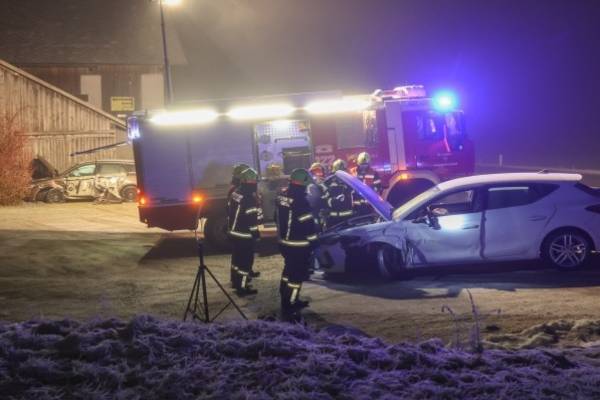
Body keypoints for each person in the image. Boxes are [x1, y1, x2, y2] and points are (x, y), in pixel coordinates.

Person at [275, 168, 318, 317]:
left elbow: (276, 217)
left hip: (284, 243)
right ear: (303, 183)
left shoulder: (282, 196)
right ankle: (291, 303)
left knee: (288, 271)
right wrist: (314, 241)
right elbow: (308, 225)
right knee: (297, 276)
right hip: (298, 245)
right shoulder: (301, 201)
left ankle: (285, 298)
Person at [227, 168, 261, 296]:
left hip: (234, 232)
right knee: (245, 263)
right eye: (255, 181)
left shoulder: (236, 193)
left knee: (237, 260)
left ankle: (235, 282)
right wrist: (256, 235)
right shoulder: (248, 198)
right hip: (245, 235)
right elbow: (252, 220)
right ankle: (242, 288)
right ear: (251, 182)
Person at [323, 159, 354, 228]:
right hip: (333, 218)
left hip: (347, 218)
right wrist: (334, 200)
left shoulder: (350, 181)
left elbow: (355, 196)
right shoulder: (328, 181)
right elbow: (323, 198)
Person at [351, 152, 382, 216]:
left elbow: (378, 188)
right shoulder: (353, 172)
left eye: (365, 164)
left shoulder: (374, 173)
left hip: (368, 206)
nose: (363, 166)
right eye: (362, 164)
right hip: (357, 206)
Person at [307, 162, 329, 230]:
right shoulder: (310, 183)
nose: (319, 173)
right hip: (314, 209)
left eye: (320, 171)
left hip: (322, 209)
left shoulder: (325, 181)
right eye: (316, 171)